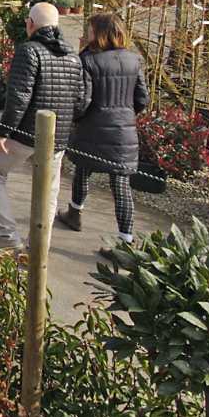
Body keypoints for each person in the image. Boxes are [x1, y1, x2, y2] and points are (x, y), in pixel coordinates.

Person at [0, 2, 90, 249]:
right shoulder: (74, 57)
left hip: (25, 133)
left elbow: (19, 96)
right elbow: (81, 101)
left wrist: (2, 131)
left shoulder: (28, 51)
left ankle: (8, 238)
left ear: (30, 24)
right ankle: (37, 248)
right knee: (49, 192)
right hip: (57, 138)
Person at [57, 13, 148, 245]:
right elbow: (142, 99)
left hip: (92, 128)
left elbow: (83, 101)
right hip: (124, 131)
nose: (87, 33)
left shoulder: (88, 60)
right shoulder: (134, 60)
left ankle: (75, 213)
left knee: (83, 170)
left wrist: (74, 119)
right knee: (120, 183)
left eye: (90, 29)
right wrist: (126, 115)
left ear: (100, 33)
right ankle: (126, 239)